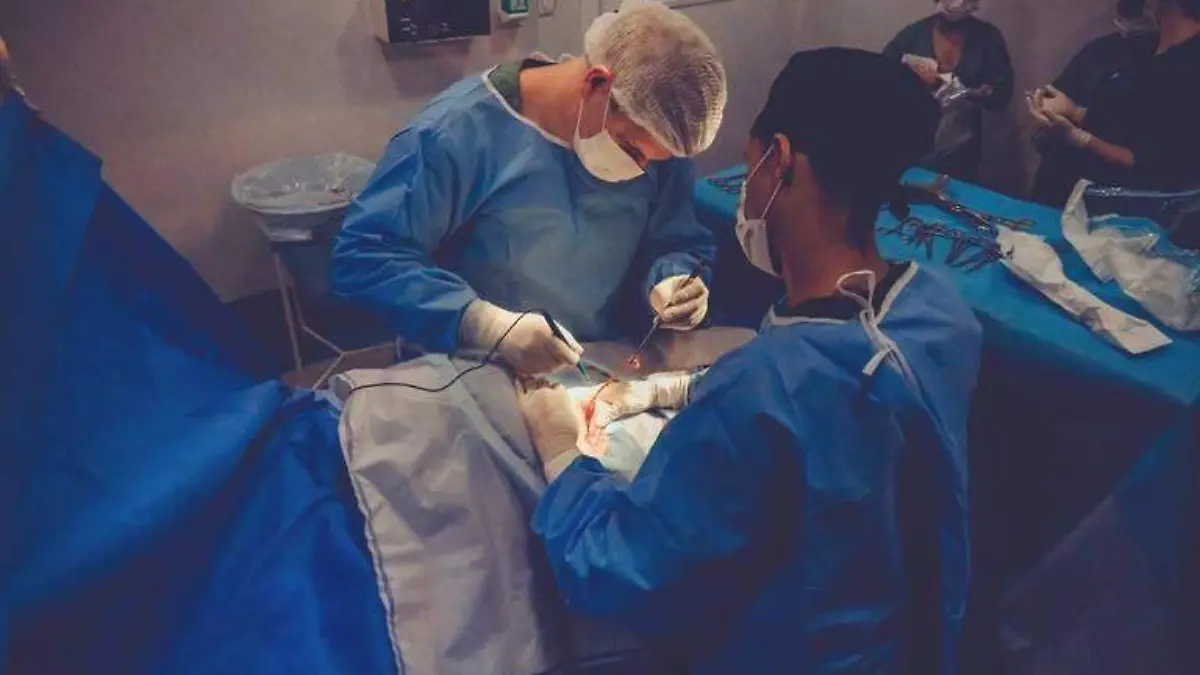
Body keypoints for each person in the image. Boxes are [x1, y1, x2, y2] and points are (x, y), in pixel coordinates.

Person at [516, 48, 983, 674]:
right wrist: (670, 390)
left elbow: (619, 572)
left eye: (748, 165)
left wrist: (562, 456)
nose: (745, 190)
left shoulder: (764, 390)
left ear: (778, 160)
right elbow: (836, 400)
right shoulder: (939, 316)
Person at [331, 0, 726, 376]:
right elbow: (365, 256)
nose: (641, 170)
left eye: (655, 160)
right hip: (471, 372)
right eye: (632, 149)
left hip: (597, 366)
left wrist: (675, 281)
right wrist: (485, 325)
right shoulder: (456, 135)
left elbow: (675, 238)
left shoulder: (656, 136)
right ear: (596, 84)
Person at [1027, 0, 1200, 208]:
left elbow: (1152, 161)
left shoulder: (1188, 68)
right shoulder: (1136, 49)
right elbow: (1128, 121)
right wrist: (1073, 112)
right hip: (1063, 193)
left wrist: (1083, 140)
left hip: (1119, 211)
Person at [883, 0, 1014, 180]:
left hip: (961, 151)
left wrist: (981, 92)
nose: (957, 3)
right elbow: (883, 77)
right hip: (911, 142)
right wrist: (913, 78)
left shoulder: (988, 38)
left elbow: (1003, 94)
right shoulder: (914, 35)